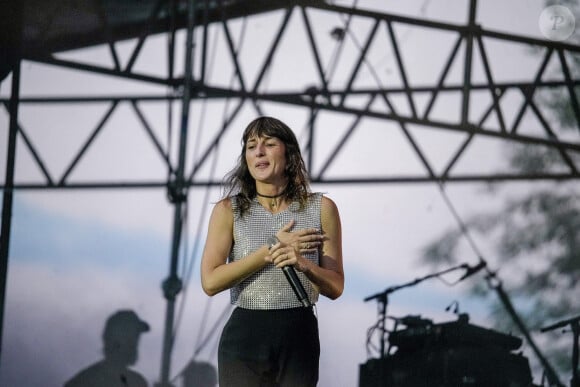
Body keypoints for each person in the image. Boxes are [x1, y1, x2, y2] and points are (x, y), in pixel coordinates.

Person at [200, 116, 344, 387]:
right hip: (245, 334)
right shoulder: (228, 210)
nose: (259, 152)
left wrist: (303, 264)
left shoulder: (322, 208)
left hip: (298, 332)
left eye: (268, 144)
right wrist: (270, 251)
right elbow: (209, 282)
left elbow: (336, 287)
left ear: (289, 154)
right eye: (251, 146)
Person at [63, 310, 150, 387]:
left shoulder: (138, 382)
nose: (134, 342)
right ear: (112, 338)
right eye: (128, 335)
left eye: (136, 336)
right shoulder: (82, 383)